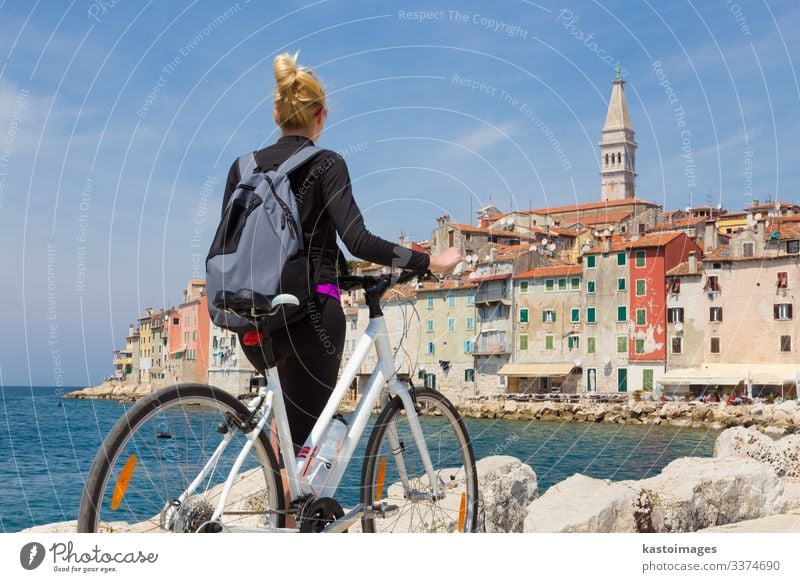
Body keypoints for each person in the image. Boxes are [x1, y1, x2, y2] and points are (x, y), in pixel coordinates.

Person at [222, 52, 463, 460]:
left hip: (252, 316)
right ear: (321, 115)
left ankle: (282, 507)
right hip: (310, 317)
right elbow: (358, 240)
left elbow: (234, 245)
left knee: (290, 444)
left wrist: (345, 274)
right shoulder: (326, 163)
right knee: (311, 445)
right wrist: (429, 262)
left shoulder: (242, 168)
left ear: (276, 113)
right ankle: (297, 515)